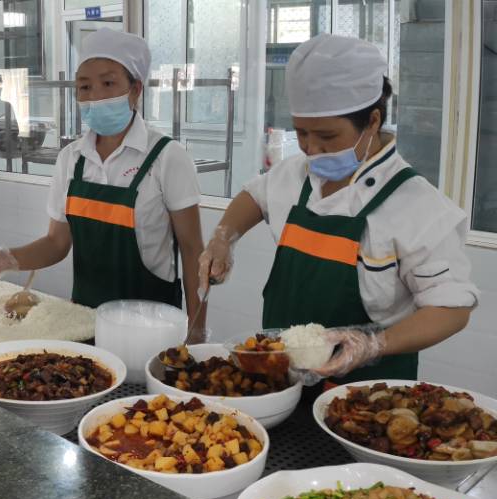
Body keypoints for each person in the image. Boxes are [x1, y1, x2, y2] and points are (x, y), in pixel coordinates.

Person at [198, 34, 478, 383]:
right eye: (301, 133)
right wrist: (223, 239)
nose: (311, 148)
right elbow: (254, 196)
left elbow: (451, 309)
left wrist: (372, 344)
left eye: (327, 137)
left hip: (365, 395)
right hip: (280, 383)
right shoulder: (296, 174)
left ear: (372, 121)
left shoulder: (417, 206)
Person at [0, 28, 206, 339]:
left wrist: (196, 331)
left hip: (152, 327)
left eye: (108, 83)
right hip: (84, 323)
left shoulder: (167, 157)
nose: (95, 96)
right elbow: (56, 243)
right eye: (84, 87)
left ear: (135, 89)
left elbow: (193, 251)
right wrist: (6, 258)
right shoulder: (72, 159)